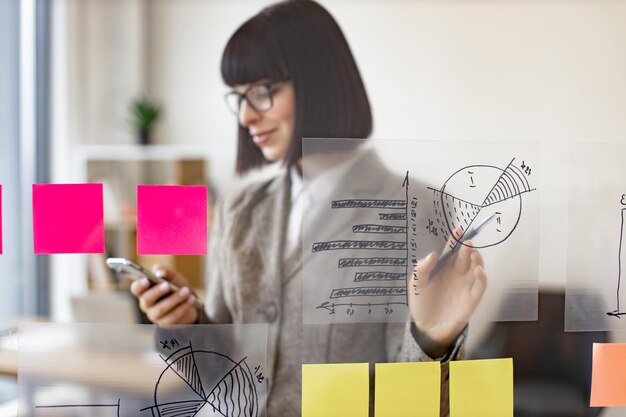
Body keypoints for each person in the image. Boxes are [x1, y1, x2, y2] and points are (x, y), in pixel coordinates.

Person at [130, 1, 487, 415]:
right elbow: (224, 378)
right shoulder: (240, 211)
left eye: (263, 92)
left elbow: (417, 404)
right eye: (239, 97)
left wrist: (431, 337)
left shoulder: (417, 210)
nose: (246, 116)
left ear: (319, 84)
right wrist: (185, 325)